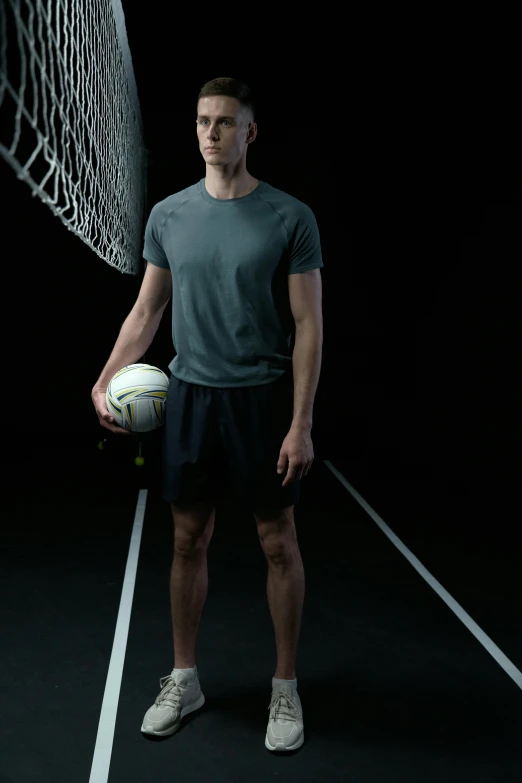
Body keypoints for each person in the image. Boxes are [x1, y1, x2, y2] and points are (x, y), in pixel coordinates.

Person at [91, 77, 323, 752]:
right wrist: (104, 378)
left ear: (250, 133)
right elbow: (147, 311)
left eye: (225, 122)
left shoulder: (290, 216)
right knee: (187, 540)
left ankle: (285, 686)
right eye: (202, 121)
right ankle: (184, 677)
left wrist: (301, 421)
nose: (211, 132)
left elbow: (309, 325)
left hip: (261, 397)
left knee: (277, 542)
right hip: (190, 395)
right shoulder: (168, 214)